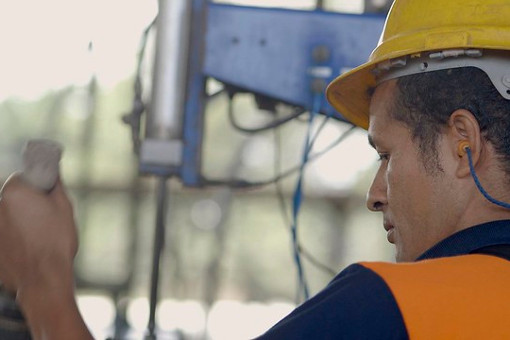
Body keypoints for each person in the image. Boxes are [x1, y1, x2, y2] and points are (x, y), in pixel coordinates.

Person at [1, 0, 510, 338]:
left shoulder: (386, 310)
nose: (375, 194)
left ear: (461, 143)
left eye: (385, 155)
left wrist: (42, 280)